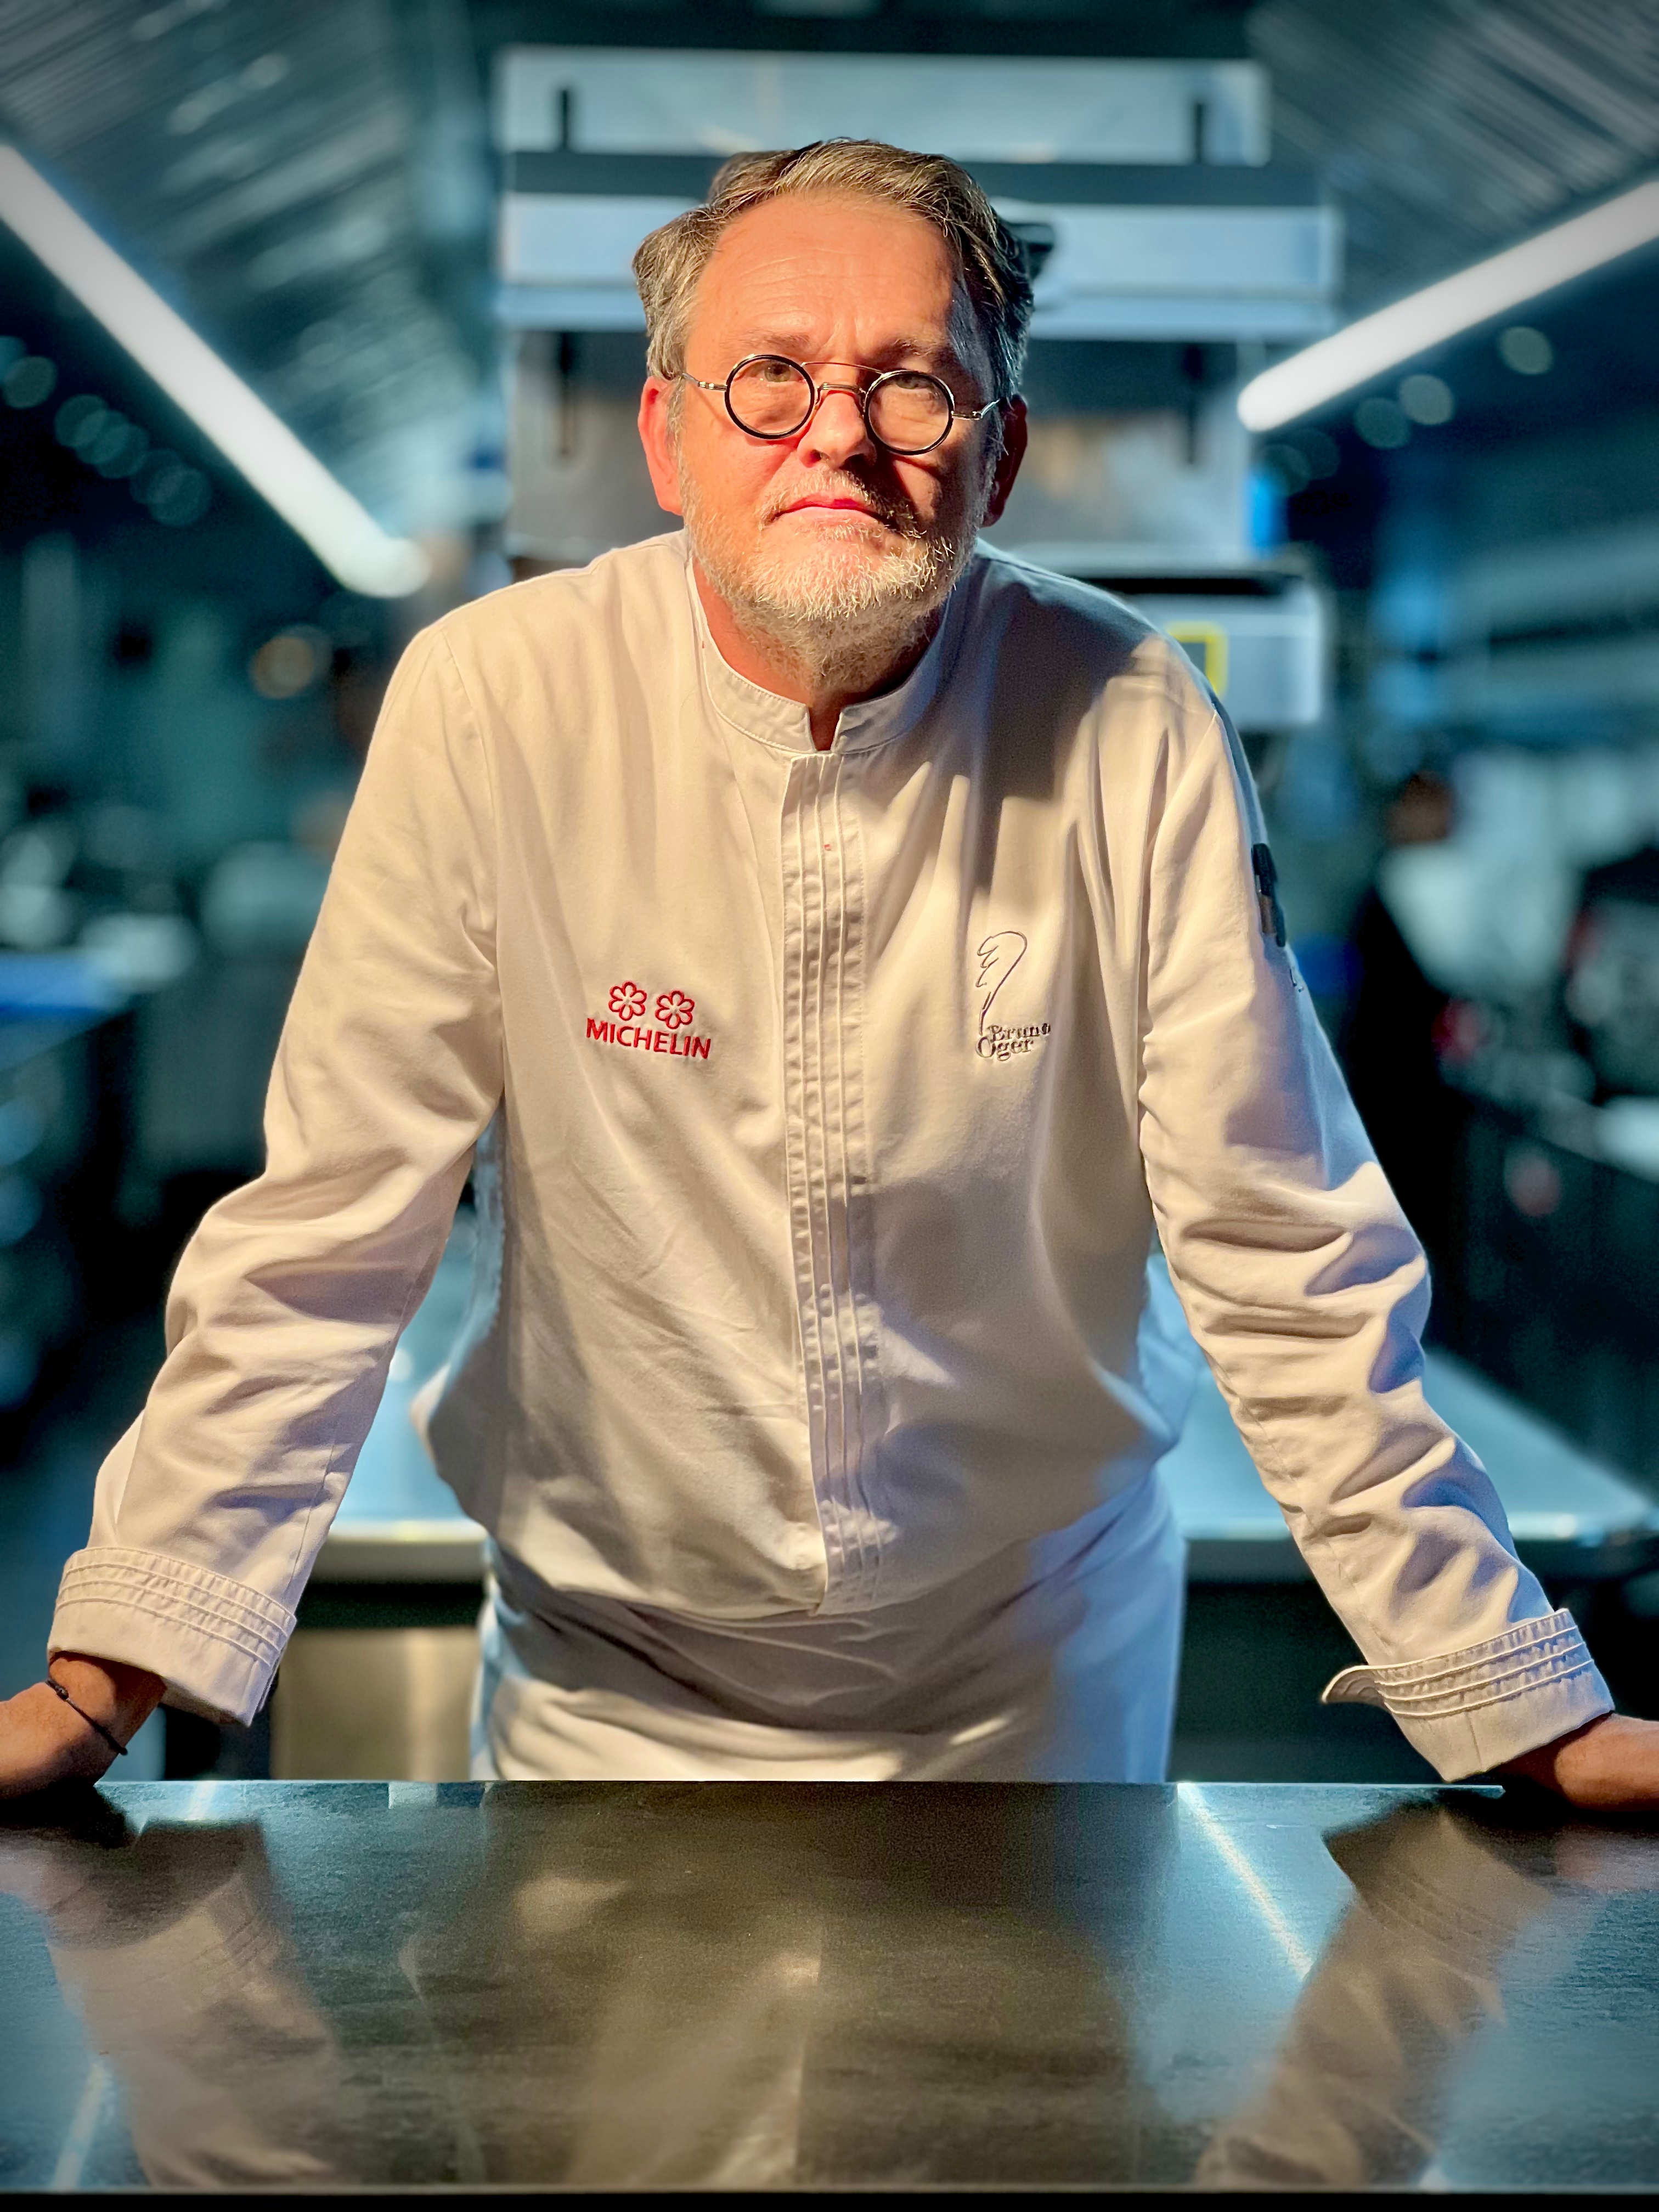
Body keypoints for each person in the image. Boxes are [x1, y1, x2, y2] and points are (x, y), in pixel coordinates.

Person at [3, 142, 1654, 1804]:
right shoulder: (496, 702)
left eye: (912, 387)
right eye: (771, 377)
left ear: (1000, 458)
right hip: (611, 1675)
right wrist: (111, 1669)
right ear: (667, 440)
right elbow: (330, 1228)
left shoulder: (1131, 719)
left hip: (1034, 1675)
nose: (840, 436)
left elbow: (1281, 1243)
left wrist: (1512, 1696)